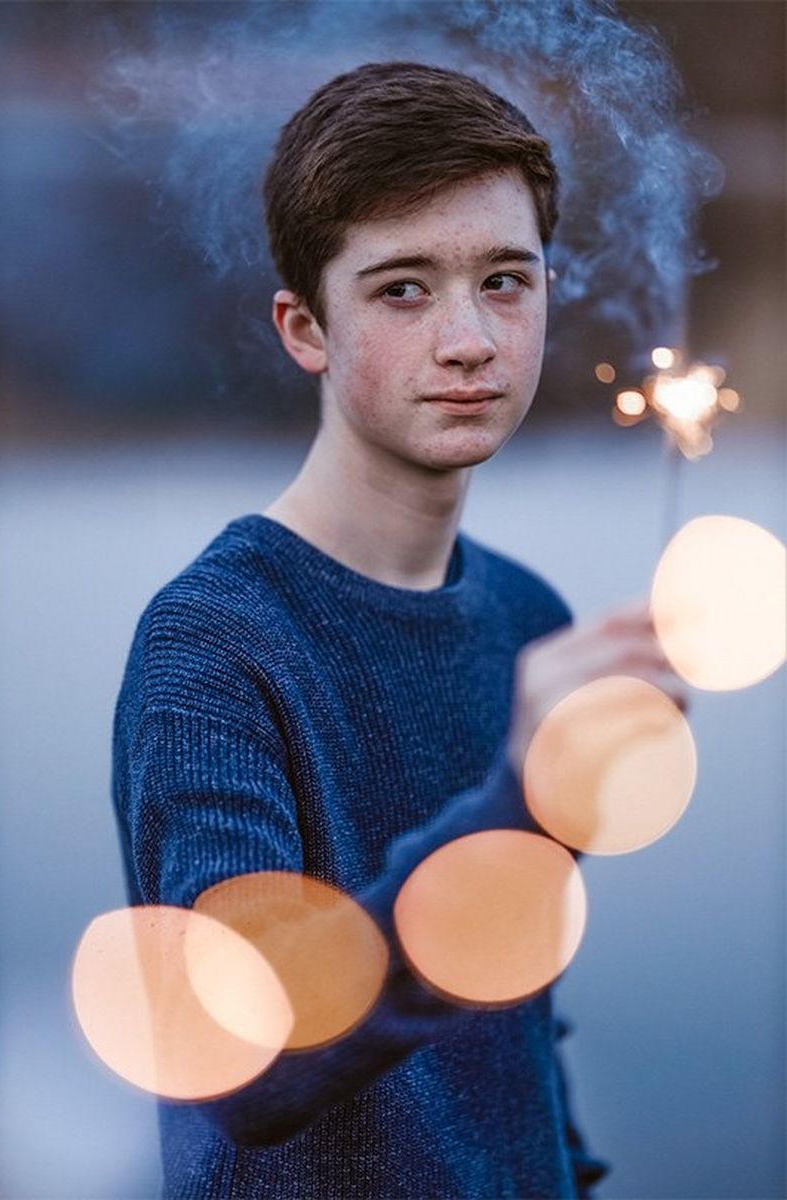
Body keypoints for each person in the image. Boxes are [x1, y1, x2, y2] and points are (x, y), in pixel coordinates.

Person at [112, 60, 686, 1199]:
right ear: (303, 326)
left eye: (503, 281)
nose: (469, 338)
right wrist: (523, 801)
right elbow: (247, 1059)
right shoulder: (211, 648)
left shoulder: (526, 618)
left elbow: (509, 1019)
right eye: (402, 290)